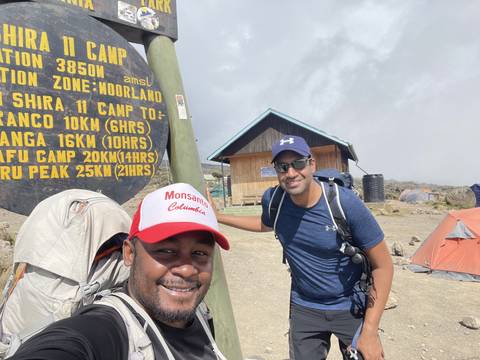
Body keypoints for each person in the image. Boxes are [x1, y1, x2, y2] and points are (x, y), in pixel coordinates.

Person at [211, 135, 393, 360]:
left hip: (350, 306)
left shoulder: (344, 204)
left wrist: (370, 330)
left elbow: (383, 266)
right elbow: (265, 223)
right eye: (283, 166)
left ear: (312, 164)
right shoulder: (275, 201)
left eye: (298, 163)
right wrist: (218, 216)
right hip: (304, 308)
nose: (291, 173)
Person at [9, 183, 229, 360]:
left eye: (200, 253)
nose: (187, 269)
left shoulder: (199, 313)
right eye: (167, 250)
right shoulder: (108, 329)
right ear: (129, 253)